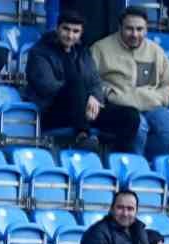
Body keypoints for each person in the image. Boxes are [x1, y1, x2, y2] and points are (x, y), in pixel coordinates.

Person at [26, 10, 143, 154]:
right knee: (76, 82)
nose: (70, 35)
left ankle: (113, 155)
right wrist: (84, 98)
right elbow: (47, 86)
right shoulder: (39, 52)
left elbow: (95, 82)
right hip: (53, 111)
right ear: (57, 28)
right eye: (66, 29)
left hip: (85, 111)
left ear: (81, 33)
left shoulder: (83, 52)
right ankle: (82, 138)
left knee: (130, 115)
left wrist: (94, 97)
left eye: (75, 31)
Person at [92, 7, 169, 158]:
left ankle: (141, 161)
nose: (134, 34)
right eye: (129, 29)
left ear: (146, 29)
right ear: (120, 27)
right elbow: (90, 81)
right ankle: (136, 171)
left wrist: (157, 98)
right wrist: (108, 92)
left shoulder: (156, 51)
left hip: (151, 105)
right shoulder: (100, 48)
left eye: (140, 29)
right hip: (119, 106)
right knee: (140, 126)